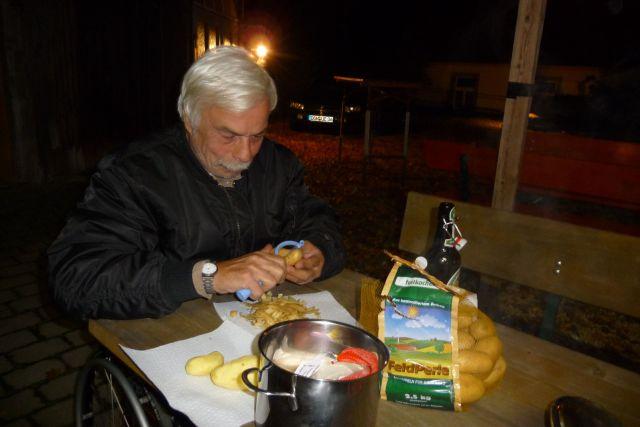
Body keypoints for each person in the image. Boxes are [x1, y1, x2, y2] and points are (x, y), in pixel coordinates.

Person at [47, 46, 346, 320]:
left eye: (257, 135)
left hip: (254, 327)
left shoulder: (278, 164)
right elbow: (73, 279)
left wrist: (320, 250)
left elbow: (317, 219)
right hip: (163, 334)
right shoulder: (133, 174)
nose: (246, 154)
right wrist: (205, 277)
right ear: (190, 121)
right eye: (228, 135)